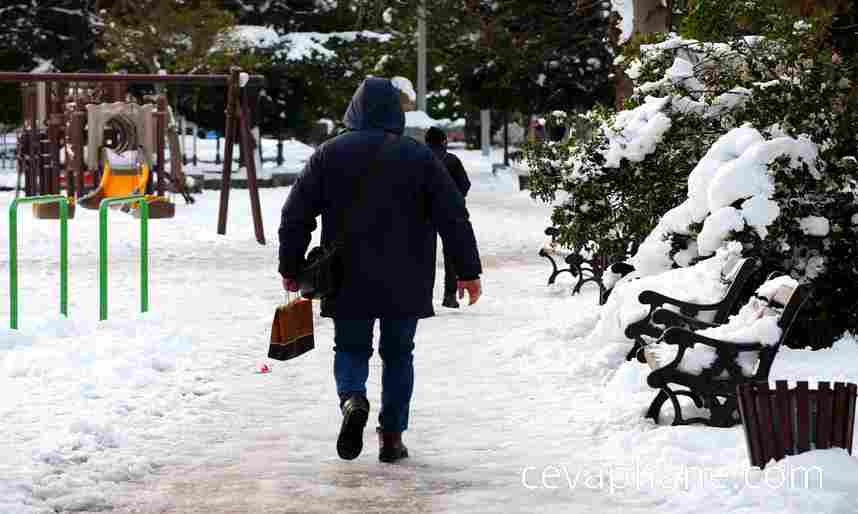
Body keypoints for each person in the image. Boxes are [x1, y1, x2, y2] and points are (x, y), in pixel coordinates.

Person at [278, 77, 483, 463]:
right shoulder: (420, 156)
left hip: (347, 275)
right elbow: (453, 216)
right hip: (407, 276)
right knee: (399, 354)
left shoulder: (328, 154)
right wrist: (468, 271)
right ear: (395, 113)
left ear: (353, 111)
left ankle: (353, 397)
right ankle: (391, 437)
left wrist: (290, 265)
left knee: (351, 347)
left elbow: (296, 215)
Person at [424, 126, 471, 308]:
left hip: (423, 214)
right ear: (444, 141)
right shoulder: (451, 160)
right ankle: (449, 295)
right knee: (451, 255)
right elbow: (465, 185)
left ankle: (424, 297)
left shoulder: (418, 159)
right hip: (449, 214)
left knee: (424, 255)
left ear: (426, 142)